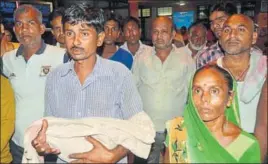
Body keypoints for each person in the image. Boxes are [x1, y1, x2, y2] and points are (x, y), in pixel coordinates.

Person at [31, 4, 154, 163]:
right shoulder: (55, 78)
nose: (75, 41)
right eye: (70, 33)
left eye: (84, 33)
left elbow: (140, 128)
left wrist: (114, 155)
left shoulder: (120, 75)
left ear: (100, 38)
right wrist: (44, 144)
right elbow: (51, 127)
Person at [1, 5, 66, 163]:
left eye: (30, 23)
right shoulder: (6, 60)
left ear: (42, 28)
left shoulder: (62, 57)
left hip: (50, 144)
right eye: (19, 24)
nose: (24, 29)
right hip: (17, 144)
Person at [164, 65, 261, 163]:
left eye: (214, 91)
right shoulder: (178, 130)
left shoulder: (245, 144)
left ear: (230, 98)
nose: (204, 99)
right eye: (197, 91)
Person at [132, 16, 195, 163]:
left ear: (173, 34)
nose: (159, 36)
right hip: (146, 129)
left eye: (164, 31)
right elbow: (132, 92)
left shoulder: (186, 59)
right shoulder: (141, 57)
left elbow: (192, 95)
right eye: (155, 31)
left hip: (177, 130)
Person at [217, 14, 267, 162]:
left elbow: (264, 126)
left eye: (241, 29)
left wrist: (255, 158)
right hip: (218, 147)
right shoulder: (209, 73)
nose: (232, 35)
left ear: (254, 37)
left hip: (259, 146)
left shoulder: (264, 69)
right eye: (227, 30)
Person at [197, 2, 237, 68]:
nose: (214, 25)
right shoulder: (206, 57)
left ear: (234, 19)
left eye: (221, 20)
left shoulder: (250, 53)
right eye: (212, 22)